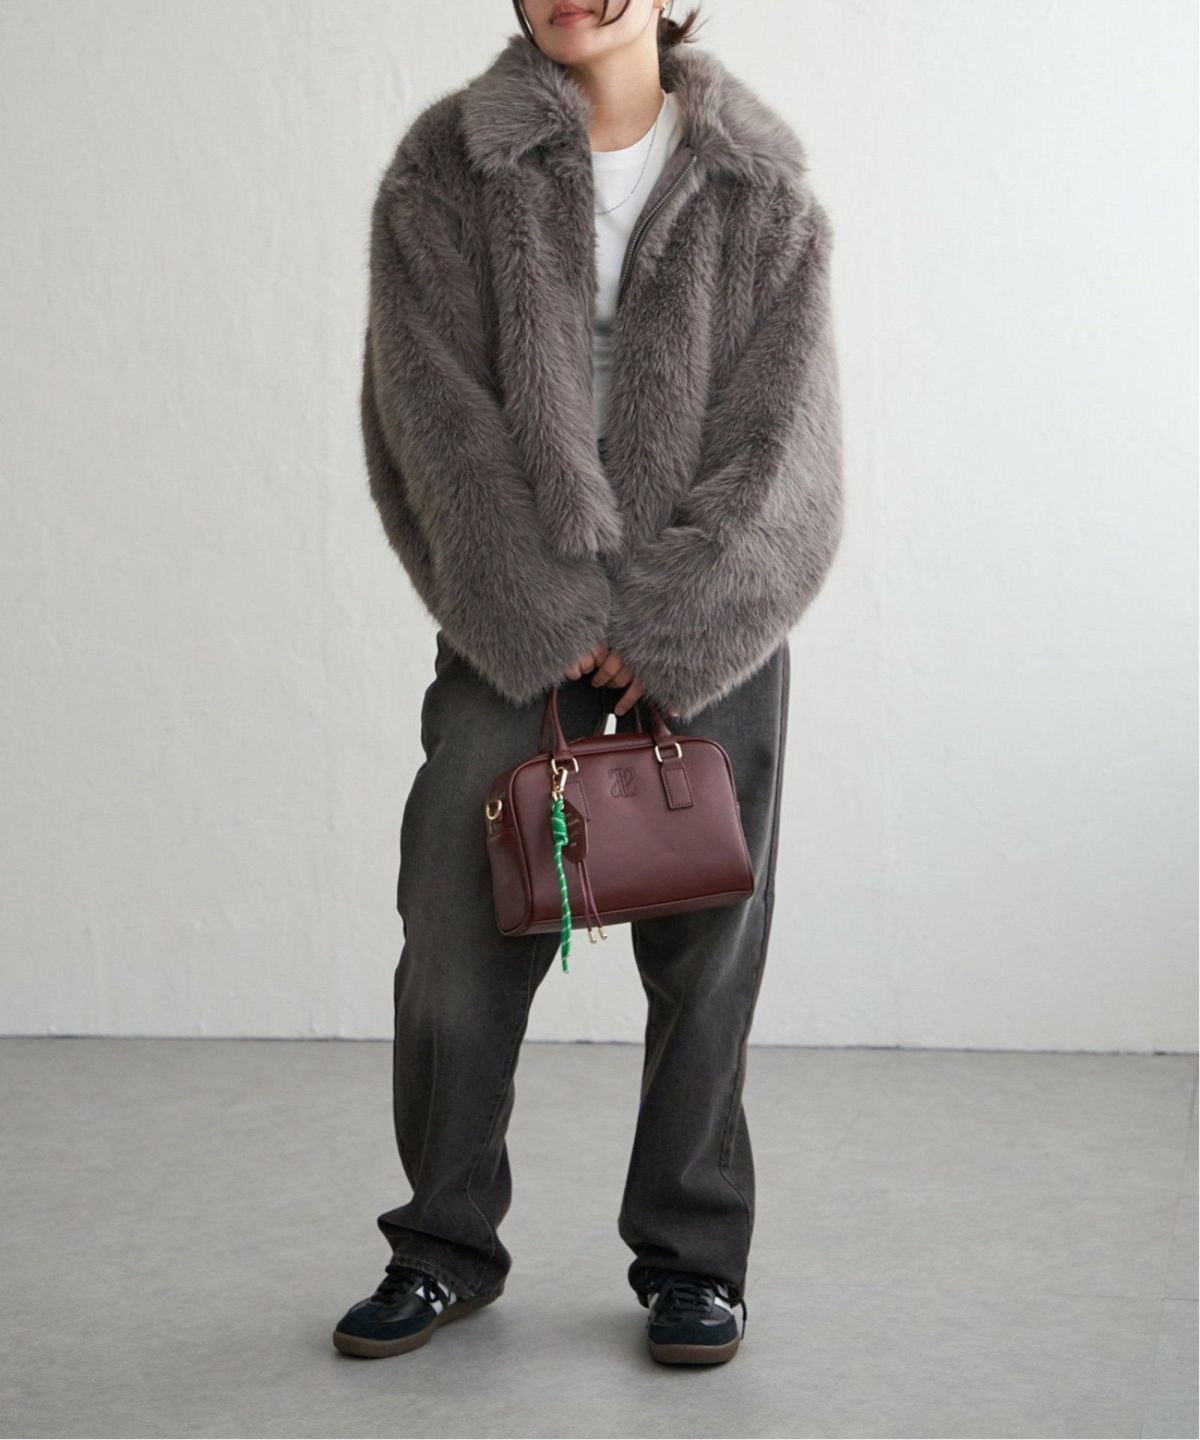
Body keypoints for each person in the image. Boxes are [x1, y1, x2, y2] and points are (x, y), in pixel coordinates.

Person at [333, 0, 844, 1367]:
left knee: (708, 954)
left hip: (711, 621)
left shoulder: (759, 186)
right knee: (453, 932)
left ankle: (694, 1260)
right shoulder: (449, 166)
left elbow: (786, 435)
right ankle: (441, 1245)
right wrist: (539, 607)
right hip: (519, 624)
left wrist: (674, 618)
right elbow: (424, 407)